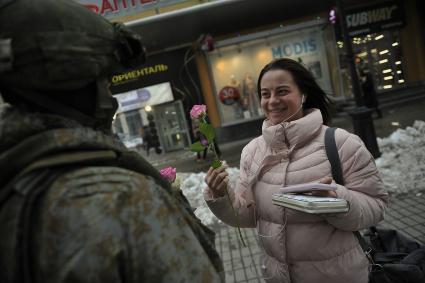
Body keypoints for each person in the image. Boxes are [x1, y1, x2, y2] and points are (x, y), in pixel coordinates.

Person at [0, 0, 223, 282]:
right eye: (106, 80)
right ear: (79, 82)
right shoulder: (123, 199)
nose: (111, 95)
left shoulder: (12, 175)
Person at [204, 58, 388, 283]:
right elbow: (248, 216)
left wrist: (336, 201)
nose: (272, 101)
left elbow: (377, 206)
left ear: (303, 95)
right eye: (265, 94)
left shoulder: (341, 143)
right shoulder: (252, 151)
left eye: (282, 91)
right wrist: (221, 194)